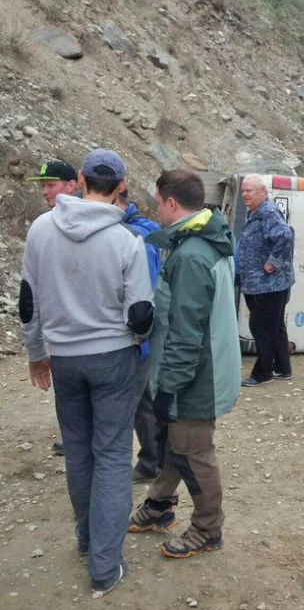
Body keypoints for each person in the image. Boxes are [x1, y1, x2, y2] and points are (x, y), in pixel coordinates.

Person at [19, 148, 154, 595]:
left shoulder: (41, 230)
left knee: (78, 452)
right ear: (120, 186)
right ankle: (104, 565)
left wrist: (38, 353)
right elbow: (140, 315)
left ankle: (86, 539)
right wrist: (132, 346)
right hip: (112, 357)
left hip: (64, 359)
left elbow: (28, 303)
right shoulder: (126, 241)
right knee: (114, 455)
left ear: (78, 178)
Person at [128, 169, 241, 559]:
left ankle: (208, 529)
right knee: (178, 443)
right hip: (196, 371)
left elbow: (186, 333)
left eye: (158, 202)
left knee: (194, 451)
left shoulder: (192, 255)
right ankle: (160, 505)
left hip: (195, 378)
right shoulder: (197, 241)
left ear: (171, 203)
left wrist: (170, 386)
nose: (155, 209)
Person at [26, 160, 79, 457]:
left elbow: (28, 294)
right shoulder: (45, 227)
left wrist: (35, 351)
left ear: (72, 185)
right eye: (43, 186)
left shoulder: (43, 228)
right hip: (65, 334)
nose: (45, 191)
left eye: (51, 185)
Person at [115, 188, 164, 483]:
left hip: (134, 340)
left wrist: (139, 335)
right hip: (140, 339)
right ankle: (152, 462)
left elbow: (141, 298)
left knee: (126, 406)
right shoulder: (142, 231)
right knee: (144, 402)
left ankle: (139, 465)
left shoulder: (133, 236)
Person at [236, 173, 295, 387]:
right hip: (264, 285)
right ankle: (283, 368)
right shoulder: (257, 213)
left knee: (261, 327)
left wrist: (272, 263)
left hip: (268, 285)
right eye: (243, 190)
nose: (244, 194)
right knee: (275, 326)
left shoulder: (268, 212)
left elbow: (285, 237)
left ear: (263, 192)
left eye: (249, 190)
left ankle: (263, 373)